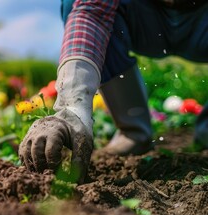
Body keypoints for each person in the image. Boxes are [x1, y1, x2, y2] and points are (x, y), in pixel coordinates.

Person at [18, 0, 208, 184]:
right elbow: (92, 12)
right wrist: (72, 107)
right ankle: (133, 132)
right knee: (74, 2)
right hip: (145, 16)